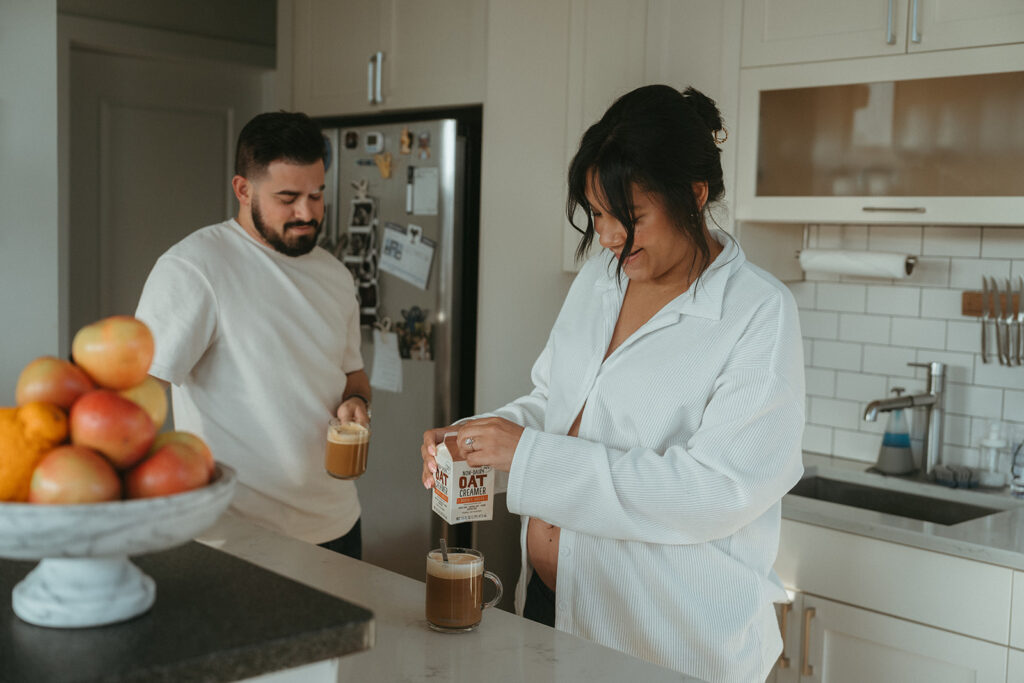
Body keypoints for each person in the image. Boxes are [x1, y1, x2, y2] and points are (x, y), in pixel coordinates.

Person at [420, 85, 804, 682]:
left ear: (694, 195)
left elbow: (714, 492)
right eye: (597, 214)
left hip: (669, 638)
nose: (607, 237)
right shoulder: (601, 278)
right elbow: (555, 404)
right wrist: (478, 440)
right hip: (553, 607)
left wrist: (526, 457)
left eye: (630, 217)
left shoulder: (758, 313)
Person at [136, 111, 370, 558]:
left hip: (337, 523)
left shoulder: (336, 275)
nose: (307, 212)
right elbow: (137, 396)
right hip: (236, 535)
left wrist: (356, 404)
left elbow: (353, 379)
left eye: (317, 195)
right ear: (243, 190)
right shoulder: (194, 268)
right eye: (288, 197)